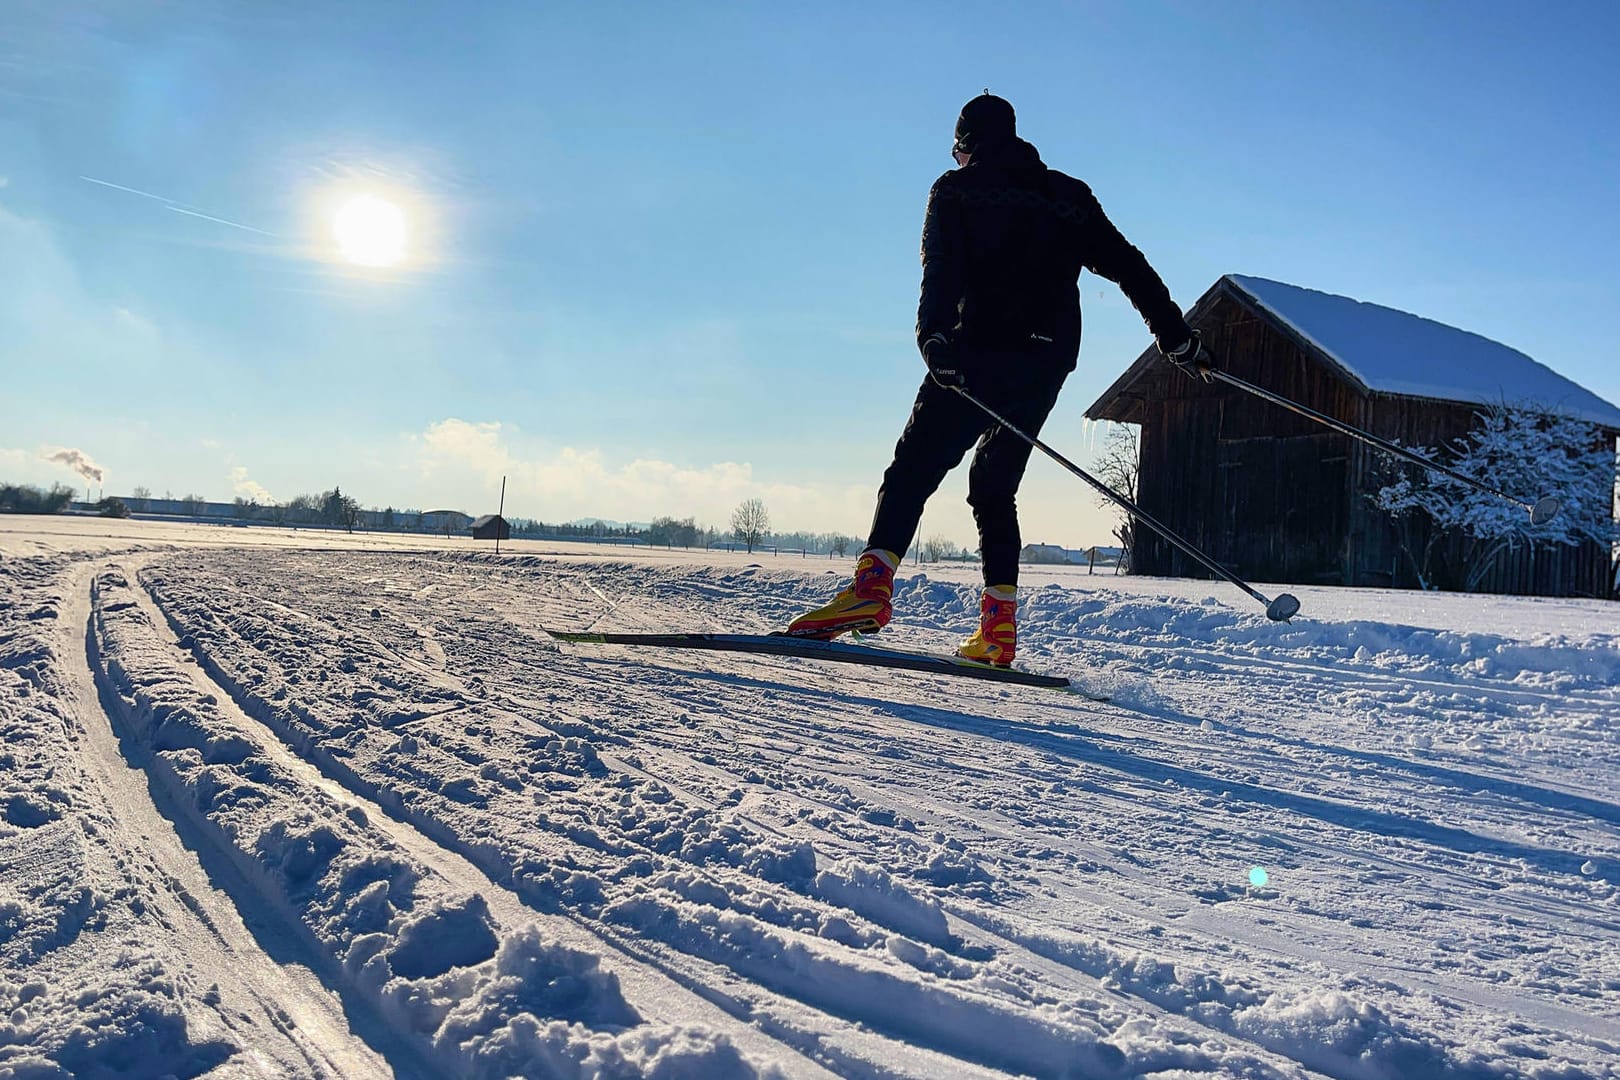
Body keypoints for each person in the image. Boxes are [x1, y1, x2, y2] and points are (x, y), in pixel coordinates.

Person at [786, 92, 1212, 666]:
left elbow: (940, 269)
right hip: (1046, 361)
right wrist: (1174, 334)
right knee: (993, 485)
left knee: (913, 468)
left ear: (964, 146)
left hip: (974, 352)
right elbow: (1128, 265)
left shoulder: (956, 189)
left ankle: (870, 594)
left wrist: (933, 337)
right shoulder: (1068, 196)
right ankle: (998, 630)